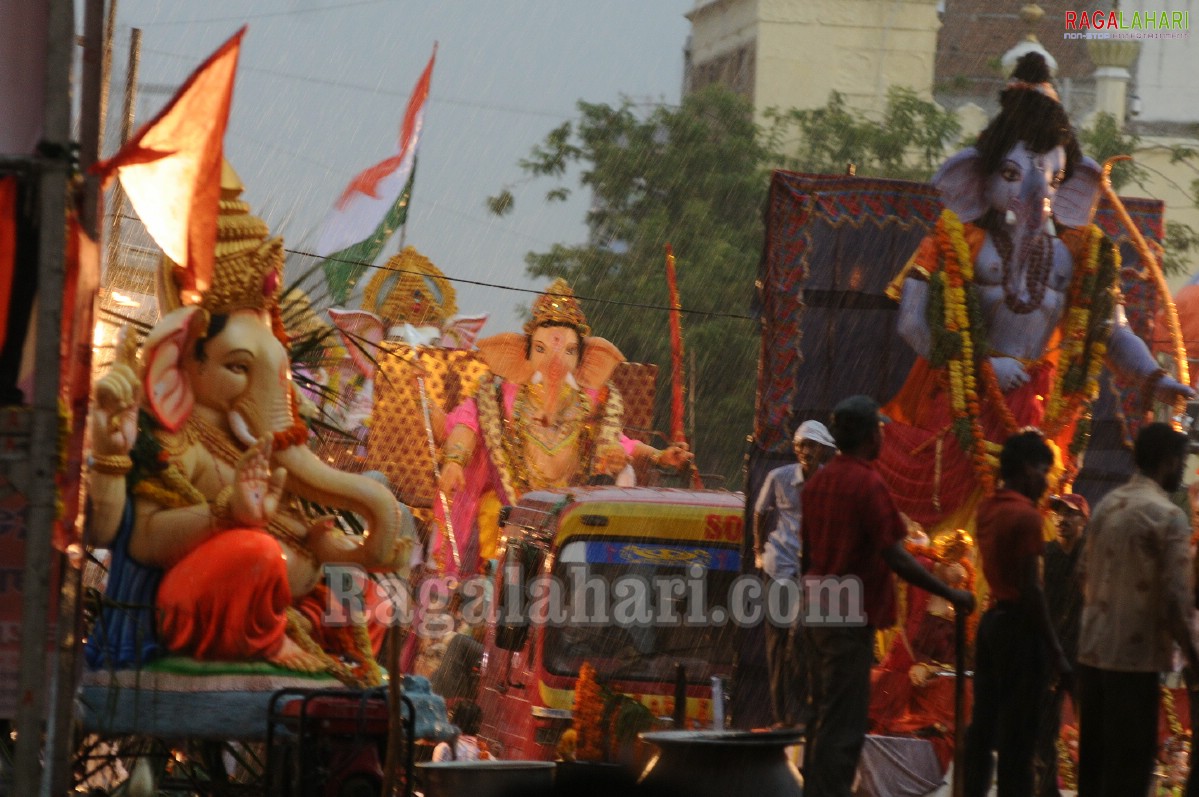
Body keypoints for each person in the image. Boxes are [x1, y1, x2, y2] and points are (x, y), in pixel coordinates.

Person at [880, 51, 1193, 531]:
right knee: (944, 538)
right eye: (1011, 175)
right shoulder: (956, 239)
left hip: (1044, 418)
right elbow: (911, 322)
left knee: (1027, 532)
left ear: (1070, 184)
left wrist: (1155, 377)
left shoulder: (1085, 254)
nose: (1034, 192)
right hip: (967, 410)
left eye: (1050, 177)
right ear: (975, 180)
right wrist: (982, 365)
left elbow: (1109, 333)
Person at [435, 279, 692, 576]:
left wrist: (660, 456)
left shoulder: (593, 405)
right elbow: (468, 425)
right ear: (522, 354)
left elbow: (620, 443)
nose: (554, 361)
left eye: (569, 351)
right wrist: (455, 461)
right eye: (542, 349)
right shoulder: (496, 398)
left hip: (572, 526)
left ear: (587, 360)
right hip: (513, 523)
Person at [800, 394, 975, 797]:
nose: (884, 435)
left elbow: (808, 557)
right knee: (845, 724)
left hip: (815, 611)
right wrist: (949, 591)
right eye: (880, 429)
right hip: (848, 617)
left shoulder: (819, 483)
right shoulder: (867, 483)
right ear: (868, 436)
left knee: (822, 715)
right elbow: (896, 555)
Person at [1075, 422, 1199, 796]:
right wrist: (1195, 658)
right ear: (1167, 461)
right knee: (1128, 772)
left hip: (1092, 655)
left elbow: (1080, 574)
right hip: (1133, 661)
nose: (1183, 470)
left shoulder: (1106, 506)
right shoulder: (1168, 516)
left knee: (1094, 766)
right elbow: (1177, 601)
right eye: (1181, 461)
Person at [962, 430, 1069, 797]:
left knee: (983, 724)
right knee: (1019, 738)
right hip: (1021, 632)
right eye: (1044, 470)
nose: (1046, 481)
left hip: (993, 624)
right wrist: (1055, 651)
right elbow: (1032, 590)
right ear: (1026, 470)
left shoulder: (987, 508)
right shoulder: (1026, 517)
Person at [753, 419, 837, 727]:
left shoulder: (830, 481)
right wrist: (758, 553)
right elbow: (760, 513)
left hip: (813, 571)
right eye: (802, 446)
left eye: (813, 446)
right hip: (779, 566)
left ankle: (806, 713)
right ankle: (783, 716)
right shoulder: (779, 477)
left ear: (822, 450)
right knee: (777, 644)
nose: (806, 452)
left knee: (805, 639)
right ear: (795, 449)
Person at [1034, 492, 1088, 796]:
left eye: (1071, 514)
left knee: (1090, 727)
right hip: (1050, 652)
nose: (1063, 519)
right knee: (1044, 730)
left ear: (1084, 520)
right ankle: (1046, 790)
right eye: (1059, 513)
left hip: (1084, 654)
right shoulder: (1045, 554)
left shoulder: (1091, 555)